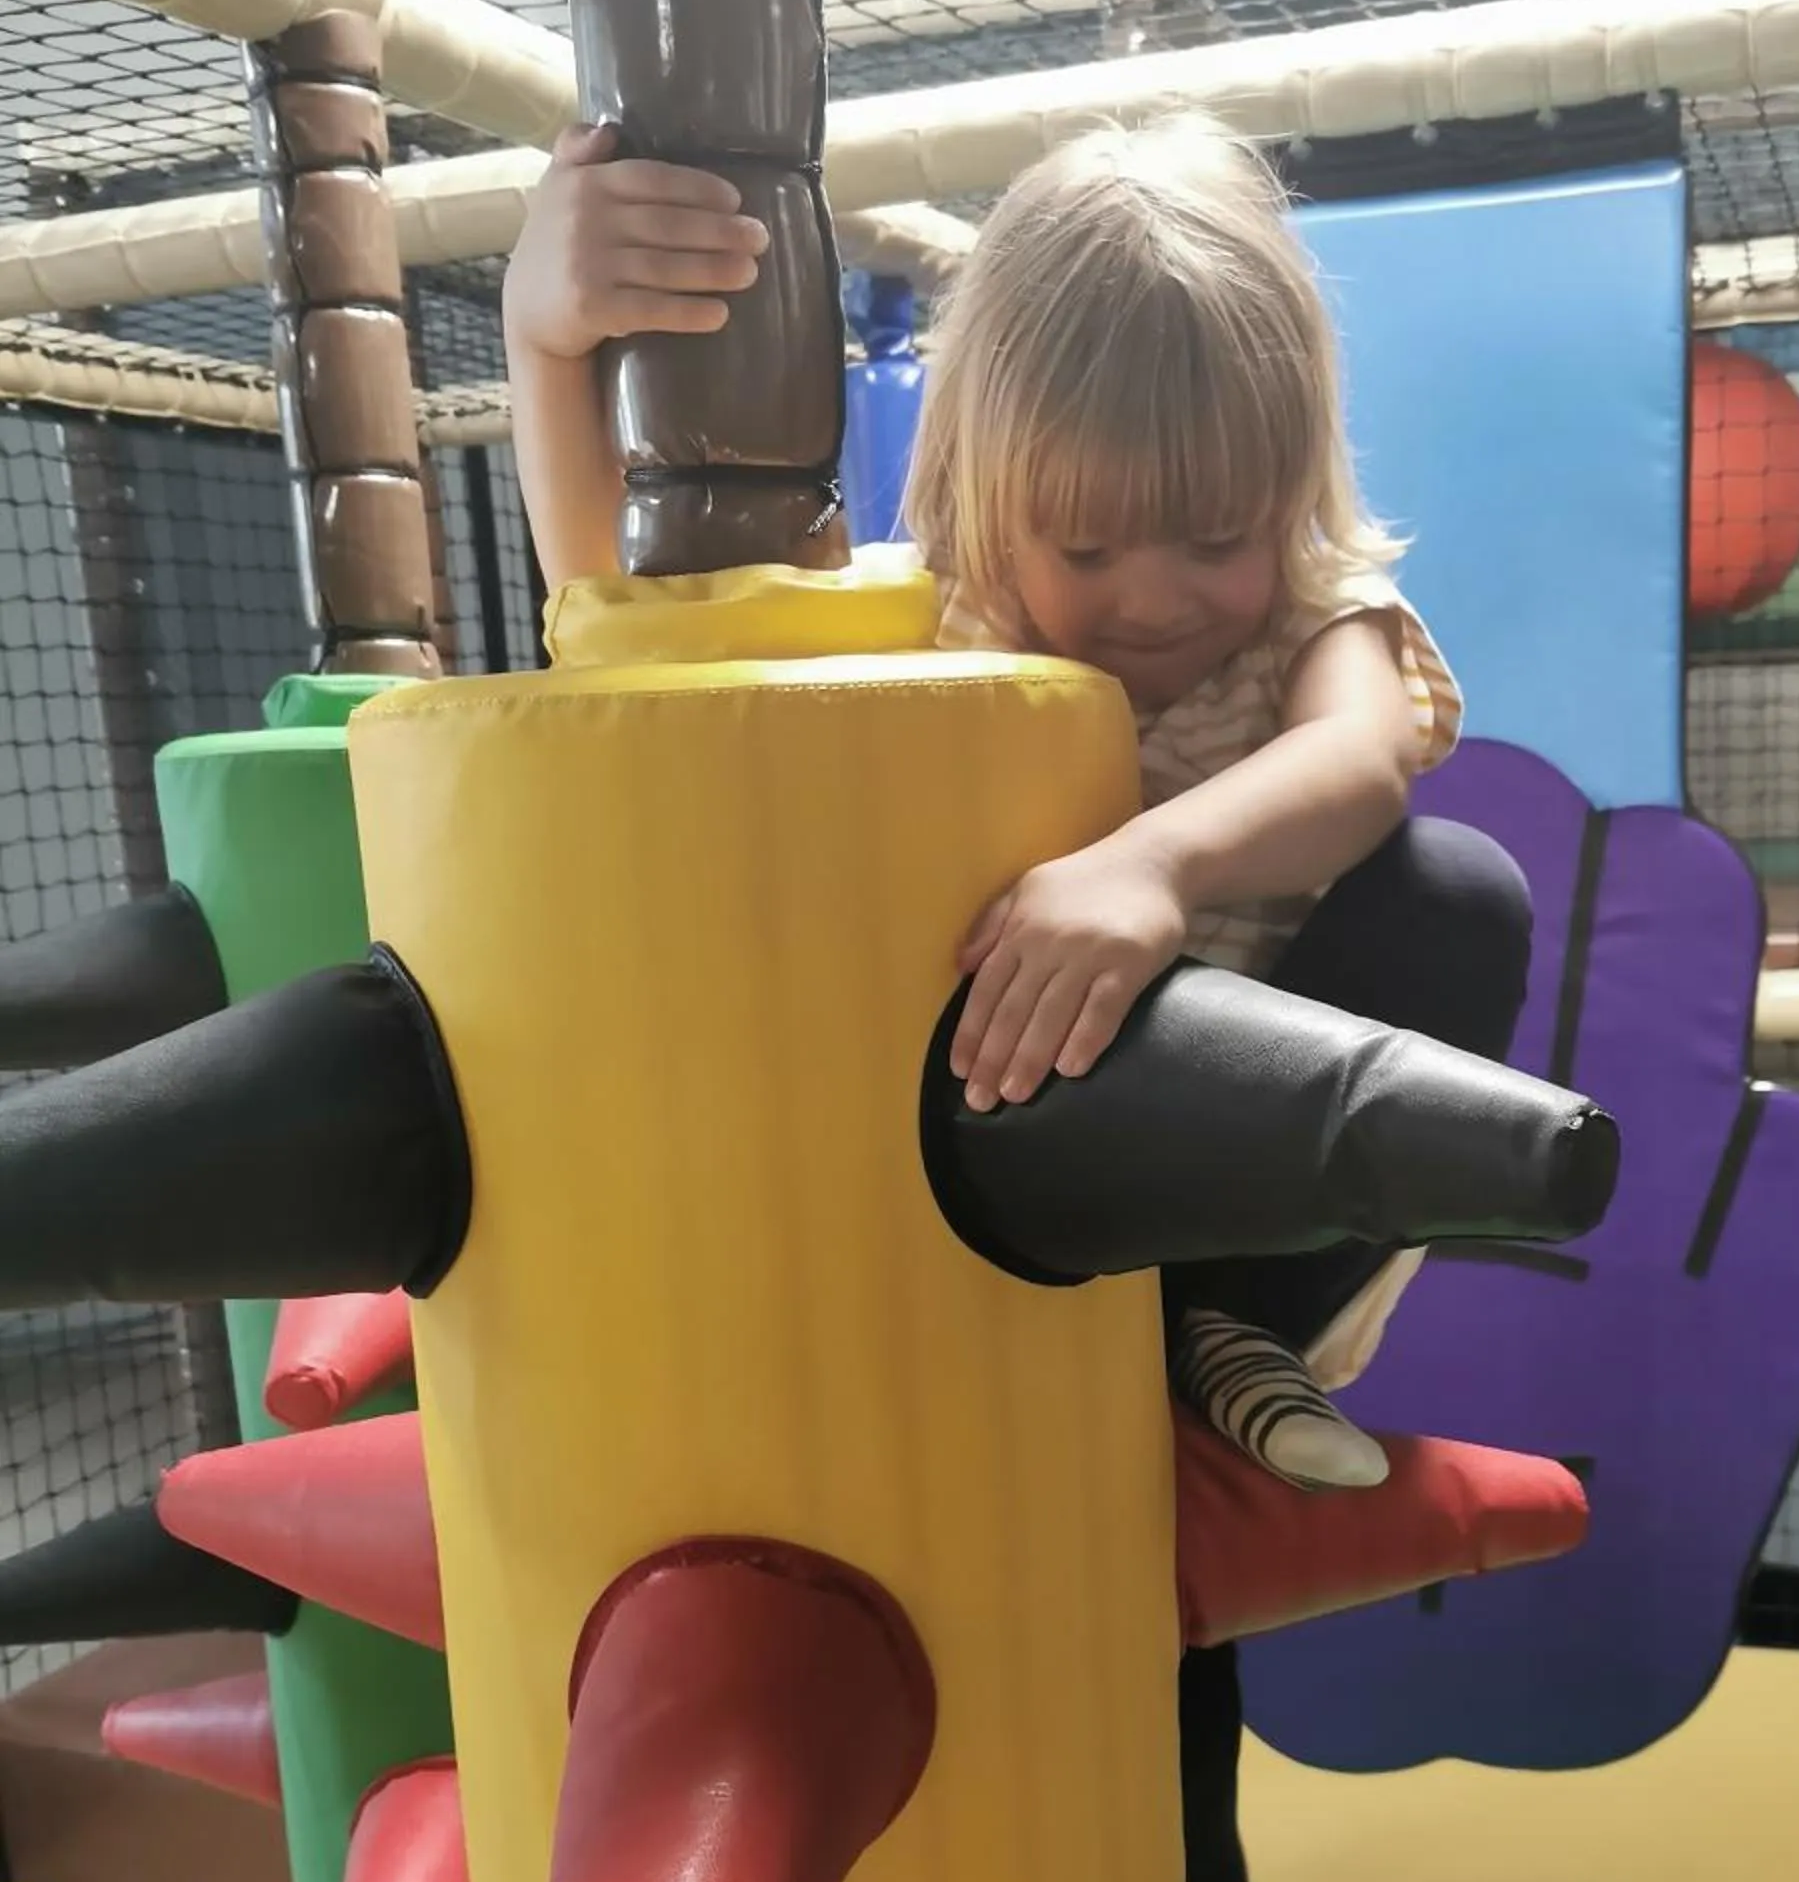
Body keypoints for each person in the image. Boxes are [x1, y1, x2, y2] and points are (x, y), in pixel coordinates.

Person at [506, 112, 1536, 1505]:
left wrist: (1154, 864)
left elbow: (1360, 761)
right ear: (989, 501)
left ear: (1288, 495)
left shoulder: (1306, 616)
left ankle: (1222, 1332)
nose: (1159, 595)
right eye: (1089, 543)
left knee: (1454, 890)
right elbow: (645, 646)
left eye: (1217, 535)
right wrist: (546, 351)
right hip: (980, 1168)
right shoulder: (944, 621)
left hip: (1220, 1196)